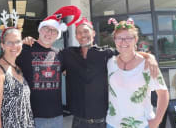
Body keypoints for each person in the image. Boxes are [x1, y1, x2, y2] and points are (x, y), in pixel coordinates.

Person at [18, 17, 160, 128]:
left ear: (93, 33)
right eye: (79, 33)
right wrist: (27, 41)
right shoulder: (67, 54)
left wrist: (149, 57)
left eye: (85, 31)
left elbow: (128, 51)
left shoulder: (107, 53)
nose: (82, 35)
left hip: (102, 121)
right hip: (77, 121)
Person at [0, 6, 81, 128]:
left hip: (57, 116)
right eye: (47, 29)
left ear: (57, 34)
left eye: (53, 31)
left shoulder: (60, 54)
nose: (49, 33)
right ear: (40, 30)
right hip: (30, 117)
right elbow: (5, 60)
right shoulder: (24, 48)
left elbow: (71, 71)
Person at [106, 18, 169, 128]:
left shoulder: (148, 65)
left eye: (128, 38)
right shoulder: (110, 62)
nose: (123, 42)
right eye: (119, 38)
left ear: (135, 39)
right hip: (113, 124)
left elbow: (163, 93)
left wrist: (157, 120)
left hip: (141, 124)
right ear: (114, 40)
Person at [0, 22, 35, 127]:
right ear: (2, 45)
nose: (14, 46)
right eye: (10, 42)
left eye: (17, 41)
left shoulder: (17, 67)